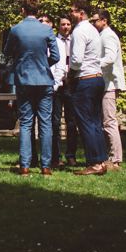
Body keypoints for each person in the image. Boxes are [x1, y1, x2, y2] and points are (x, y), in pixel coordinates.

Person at [5, 0, 60, 176]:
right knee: (45, 123)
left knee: (26, 123)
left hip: (24, 79)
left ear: (23, 10)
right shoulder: (46, 30)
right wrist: (45, 63)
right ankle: (46, 166)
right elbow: (56, 56)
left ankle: (25, 166)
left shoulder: (16, 30)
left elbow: (7, 52)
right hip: (44, 80)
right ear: (37, 11)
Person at [68, 0, 108, 175]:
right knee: (95, 121)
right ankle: (101, 159)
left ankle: (94, 163)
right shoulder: (93, 30)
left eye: (73, 11)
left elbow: (76, 60)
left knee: (85, 122)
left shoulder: (79, 31)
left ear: (81, 13)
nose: (71, 14)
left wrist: (70, 75)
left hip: (84, 79)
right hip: (97, 78)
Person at [93, 9, 126, 171]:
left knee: (109, 122)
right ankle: (108, 156)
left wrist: (93, 64)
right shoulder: (101, 36)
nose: (93, 23)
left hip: (109, 85)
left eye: (95, 20)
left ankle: (116, 159)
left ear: (104, 20)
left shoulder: (109, 36)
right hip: (103, 84)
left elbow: (110, 58)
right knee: (104, 122)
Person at [51, 14, 80, 167]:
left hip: (72, 84)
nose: (66, 27)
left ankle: (71, 155)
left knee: (71, 122)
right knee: (55, 122)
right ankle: (56, 157)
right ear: (58, 26)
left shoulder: (75, 40)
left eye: (68, 24)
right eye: (63, 24)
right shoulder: (53, 42)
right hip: (57, 84)